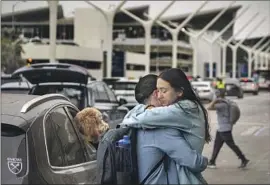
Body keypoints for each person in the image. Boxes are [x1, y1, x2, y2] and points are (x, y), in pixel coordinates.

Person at [121, 69, 211, 184]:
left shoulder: (184, 109)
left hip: (186, 177)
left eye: (163, 91)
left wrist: (145, 109)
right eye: (157, 91)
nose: (159, 96)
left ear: (179, 91)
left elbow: (140, 119)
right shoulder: (188, 106)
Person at [207, 90, 249, 169]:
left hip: (225, 129)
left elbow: (209, 107)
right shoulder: (226, 102)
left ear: (218, 96)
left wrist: (215, 101)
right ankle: (212, 161)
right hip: (222, 128)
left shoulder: (222, 105)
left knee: (232, 145)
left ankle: (244, 159)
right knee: (217, 145)